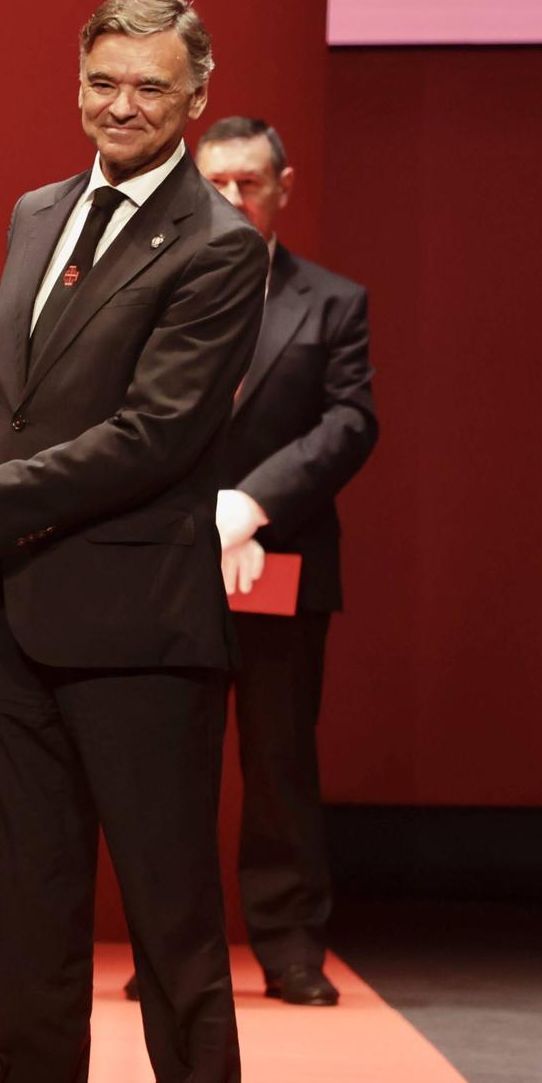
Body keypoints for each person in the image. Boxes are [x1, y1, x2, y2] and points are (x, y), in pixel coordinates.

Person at [0, 0, 267, 1083]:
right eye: (100, 80)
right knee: (29, 943)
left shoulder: (221, 248)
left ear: (192, 97)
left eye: (146, 87)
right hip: (17, 627)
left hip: (141, 637)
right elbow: (37, 416)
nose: (118, 106)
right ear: (74, 79)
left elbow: (152, 436)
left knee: (173, 939)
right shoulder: (38, 212)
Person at [126, 117, 374, 1007]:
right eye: (216, 182)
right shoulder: (154, 289)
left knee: (278, 762)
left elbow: (350, 424)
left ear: (283, 187)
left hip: (281, 557)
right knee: (166, 766)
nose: (232, 199)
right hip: (168, 563)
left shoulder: (332, 300)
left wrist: (251, 503)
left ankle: (290, 944)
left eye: (250, 183)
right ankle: (166, 948)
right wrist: (198, 514)